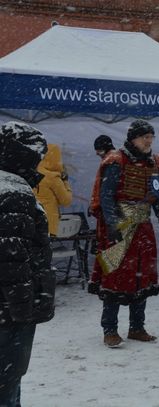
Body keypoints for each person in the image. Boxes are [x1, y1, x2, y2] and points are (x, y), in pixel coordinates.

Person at [88, 119, 159, 348]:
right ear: (133, 138)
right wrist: (113, 226)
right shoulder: (116, 161)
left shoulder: (154, 163)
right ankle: (110, 329)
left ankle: (137, 327)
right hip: (119, 227)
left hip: (143, 227)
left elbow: (157, 195)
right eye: (145, 136)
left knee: (142, 275)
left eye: (151, 137)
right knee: (114, 276)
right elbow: (107, 196)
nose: (149, 141)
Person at [0, 121, 55, 407]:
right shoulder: (13, 193)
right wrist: (25, 310)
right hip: (8, 313)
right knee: (7, 383)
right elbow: (12, 260)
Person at [33, 144, 73, 236]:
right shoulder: (52, 177)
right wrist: (65, 182)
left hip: (32, 221)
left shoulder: (32, 172)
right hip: (48, 224)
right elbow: (66, 201)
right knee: (45, 249)